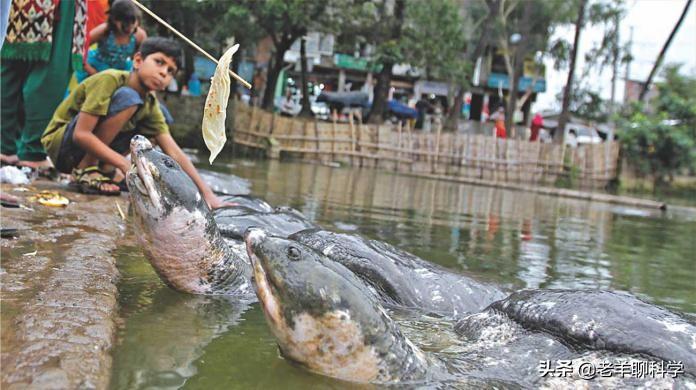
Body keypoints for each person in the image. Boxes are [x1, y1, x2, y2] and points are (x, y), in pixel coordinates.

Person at [40, 37, 229, 209]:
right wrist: (124, 164)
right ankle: (85, 169)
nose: (163, 72)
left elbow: (174, 151)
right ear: (138, 61)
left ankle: (104, 170)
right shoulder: (110, 79)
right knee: (129, 97)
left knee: (159, 116)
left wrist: (206, 194)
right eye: (159, 62)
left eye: (170, 71)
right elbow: (81, 134)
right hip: (63, 147)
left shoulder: (150, 102)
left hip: (89, 148)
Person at [1, 0, 87, 170]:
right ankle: (32, 151)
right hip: (54, 9)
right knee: (50, 73)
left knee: (9, 67)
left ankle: (4, 145)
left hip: (17, 9)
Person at [76, 0, 147, 82]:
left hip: (121, 71)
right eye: (124, 25)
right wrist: (93, 72)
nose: (129, 29)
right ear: (114, 20)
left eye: (132, 24)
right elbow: (79, 49)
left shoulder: (140, 36)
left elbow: (142, 59)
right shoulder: (104, 30)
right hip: (96, 70)